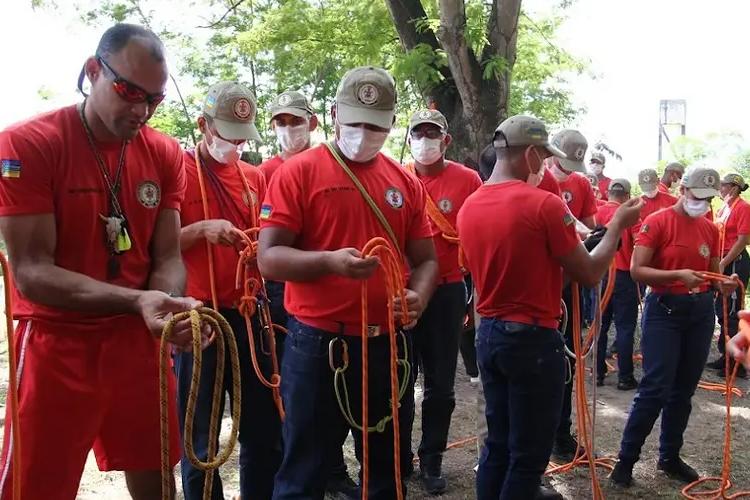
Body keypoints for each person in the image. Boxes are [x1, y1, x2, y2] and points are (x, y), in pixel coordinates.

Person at [0, 23, 204, 499]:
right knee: (35, 483)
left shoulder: (165, 152)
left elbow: (168, 256)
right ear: (93, 71)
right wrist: (141, 300)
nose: (141, 110)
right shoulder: (28, 144)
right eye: (128, 91)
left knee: (157, 475)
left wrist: (170, 307)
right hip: (58, 342)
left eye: (153, 100)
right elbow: (31, 273)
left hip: (138, 341)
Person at [258, 66, 439, 500]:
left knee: (386, 471)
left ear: (392, 124)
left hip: (385, 346)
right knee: (304, 472)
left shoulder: (404, 183)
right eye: (355, 122)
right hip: (319, 345)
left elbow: (428, 260)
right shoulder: (298, 173)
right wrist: (329, 262)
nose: (364, 133)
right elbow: (269, 258)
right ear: (335, 113)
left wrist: (419, 296)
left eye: (375, 126)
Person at [457, 115, 642, 500]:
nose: (544, 165)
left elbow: (504, 272)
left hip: (489, 333)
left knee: (498, 444)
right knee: (527, 456)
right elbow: (590, 273)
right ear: (529, 154)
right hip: (532, 340)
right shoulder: (544, 204)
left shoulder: (469, 206)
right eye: (542, 155)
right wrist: (617, 226)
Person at [175, 82, 283, 500]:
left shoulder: (252, 176)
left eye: (241, 137)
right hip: (199, 315)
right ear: (203, 125)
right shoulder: (179, 171)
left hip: (250, 314)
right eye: (226, 135)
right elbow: (156, 245)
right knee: (199, 436)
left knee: (263, 428)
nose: (234, 145)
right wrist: (202, 230)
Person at [610, 167, 738, 488]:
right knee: (655, 388)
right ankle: (626, 461)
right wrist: (678, 276)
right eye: (697, 196)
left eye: (709, 198)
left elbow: (712, 272)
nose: (703, 203)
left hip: (699, 314)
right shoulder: (659, 222)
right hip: (664, 311)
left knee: (683, 391)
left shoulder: (710, 229)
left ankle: (669, 457)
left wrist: (724, 284)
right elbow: (638, 271)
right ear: (683, 189)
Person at [404, 108, 482, 494]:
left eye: (431, 133)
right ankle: (399, 457)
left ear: (445, 140)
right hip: (402, 288)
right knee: (400, 379)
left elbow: (482, 230)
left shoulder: (468, 180)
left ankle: (431, 457)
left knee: (439, 382)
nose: (424, 140)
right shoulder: (396, 176)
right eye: (417, 133)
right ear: (407, 137)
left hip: (449, 288)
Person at [547, 129, 598, 460]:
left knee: (566, 362)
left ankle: (560, 435)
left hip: (569, 287)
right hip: (539, 284)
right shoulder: (533, 178)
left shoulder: (580, 184)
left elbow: (590, 226)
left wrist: (593, 238)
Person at [595, 179, 640, 390]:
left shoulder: (597, 212)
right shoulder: (630, 215)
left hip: (600, 273)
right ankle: (625, 377)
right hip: (623, 276)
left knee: (601, 326)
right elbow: (639, 243)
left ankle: (598, 374)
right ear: (626, 195)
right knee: (625, 327)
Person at [706, 173, 750, 378]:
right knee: (721, 310)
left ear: (734, 187)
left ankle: (736, 363)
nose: (720, 189)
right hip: (724, 260)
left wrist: (723, 263)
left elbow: (742, 240)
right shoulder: (724, 208)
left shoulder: (743, 208)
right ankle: (726, 355)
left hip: (736, 262)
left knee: (732, 310)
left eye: (723, 185)